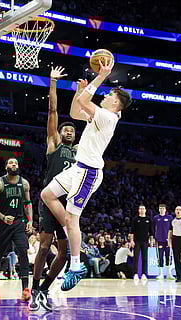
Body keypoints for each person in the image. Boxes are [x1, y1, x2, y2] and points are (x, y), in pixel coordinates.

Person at [41, 58, 132, 291]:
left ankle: (75, 265)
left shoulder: (109, 116)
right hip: (78, 168)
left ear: (115, 102)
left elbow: (85, 101)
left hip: (88, 173)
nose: (105, 96)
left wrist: (101, 76)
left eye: (109, 94)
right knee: (47, 195)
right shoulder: (100, 115)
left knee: (72, 219)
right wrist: (80, 91)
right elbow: (75, 109)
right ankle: (71, 226)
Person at [31, 66, 76, 312]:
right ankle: (34, 288)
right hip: (50, 201)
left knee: (65, 254)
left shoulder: (80, 152)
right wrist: (53, 83)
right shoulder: (54, 145)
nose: (68, 130)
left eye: (72, 129)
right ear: (58, 134)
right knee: (45, 246)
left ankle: (44, 289)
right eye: (65, 129)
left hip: (67, 205)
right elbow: (53, 110)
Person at [0, 158, 33, 301]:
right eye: (11, 163)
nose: (14, 165)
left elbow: (27, 203)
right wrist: (2, 216)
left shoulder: (24, 183)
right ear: (6, 166)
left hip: (19, 223)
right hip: (3, 224)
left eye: (16, 163)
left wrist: (30, 220)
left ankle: (25, 288)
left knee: (23, 253)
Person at [129, 205, 153, 281]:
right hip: (136, 241)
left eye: (143, 209)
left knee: (145, 258)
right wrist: (131, 241)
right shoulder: (135, 219)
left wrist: (151, 241)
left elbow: (151, 232)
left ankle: (143, 274)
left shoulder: (148, 219)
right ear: (139, 210)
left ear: (145, 210)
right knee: (136, 257)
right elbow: (132, 232)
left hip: (145, 241)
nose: (142, 210)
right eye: (140, 209)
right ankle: (135, 274)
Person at [152, 204, 174, 280]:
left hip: (168, 240)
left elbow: (172, 229)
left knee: (169, 256)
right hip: (159, 240)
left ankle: (169, 274)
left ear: (165, 209)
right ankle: (160, 274)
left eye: (163, 208)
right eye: (160, 208)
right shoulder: (155, 218)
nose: (161, 210)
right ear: (159, 209)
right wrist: (154, 239)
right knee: (160, 257)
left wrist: (171, 239)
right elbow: (153, 229)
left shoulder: (170, 218)